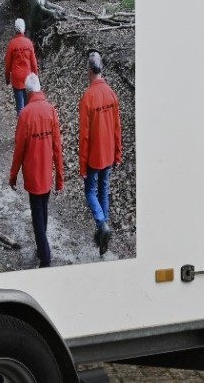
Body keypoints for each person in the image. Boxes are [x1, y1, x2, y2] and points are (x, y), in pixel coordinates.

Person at [9, 73, 63, 268]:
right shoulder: (51, 111)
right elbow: (58, 148)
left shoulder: (25, 114)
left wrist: (13, 175)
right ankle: (42, 248)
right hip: (47, 173)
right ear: (39, 89)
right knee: (44, 209)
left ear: (27, 91)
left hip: (32, 174)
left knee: (37, 215)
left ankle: (45, 256)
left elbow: (19, 149)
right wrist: (59, 178)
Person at [78, 50, 123, 255]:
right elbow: (117, 127)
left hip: (95, 155)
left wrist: (82, 164)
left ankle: (101, 224)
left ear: (89, 70)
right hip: (109, 153)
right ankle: (103, 236)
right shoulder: (111, 94)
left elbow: (85, 136)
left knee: (90, 191)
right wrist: (118, 152)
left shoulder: (88, 97)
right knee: (103, 190)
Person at [5, 18, 39, 115]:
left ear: (15, 29)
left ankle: (21, 127)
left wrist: (7, 78)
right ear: (24, 29)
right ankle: (29, 127)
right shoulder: (28, 43)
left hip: (16, 79)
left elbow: (8, 63)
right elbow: (33, 63)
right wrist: (35, 78)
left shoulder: (12, 44)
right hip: (28, 78)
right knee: (29, 105)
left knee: (20, 107)